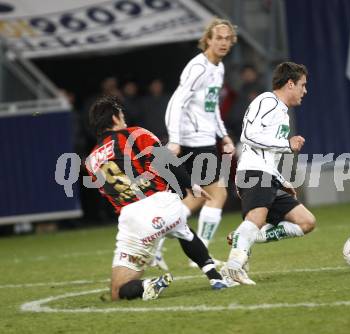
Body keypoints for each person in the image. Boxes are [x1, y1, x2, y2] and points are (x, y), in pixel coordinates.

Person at [85, 96, 236, 301]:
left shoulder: (91, 161)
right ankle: (215, 277)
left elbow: (112, 195)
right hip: (163, 204)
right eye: (121, 114)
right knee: (183, 230)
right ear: (114, 117)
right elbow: (166, 159)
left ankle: (149, 283)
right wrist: (191, 185)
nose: (124, 118)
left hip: (132, 220)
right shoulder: (134, 133)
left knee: (118, 291)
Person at [220, 62, 316, 285]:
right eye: (303, 85)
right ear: (290, 84)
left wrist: (281, 180)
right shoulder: (267, 101)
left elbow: (268, 153)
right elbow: (248, 136)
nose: (305, 90)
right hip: (253, 172)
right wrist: (287, 144)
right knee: (256, 219)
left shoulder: (281, 111)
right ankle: (233, 266)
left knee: (306, 222)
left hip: (268, 175)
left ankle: (242, 238)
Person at [159, 18, 238, 268]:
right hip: (193, 141)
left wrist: (223, 134)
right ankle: (199, 253)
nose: (223, 42)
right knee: (217, 193)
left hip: (205, 139)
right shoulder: (199, 68)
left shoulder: (219, 68)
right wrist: (175, 140)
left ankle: (155, 243)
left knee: (197, 198)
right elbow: (176, 102)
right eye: (219, 38)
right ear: (208, 40)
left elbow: (211, 107)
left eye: (228, 38)